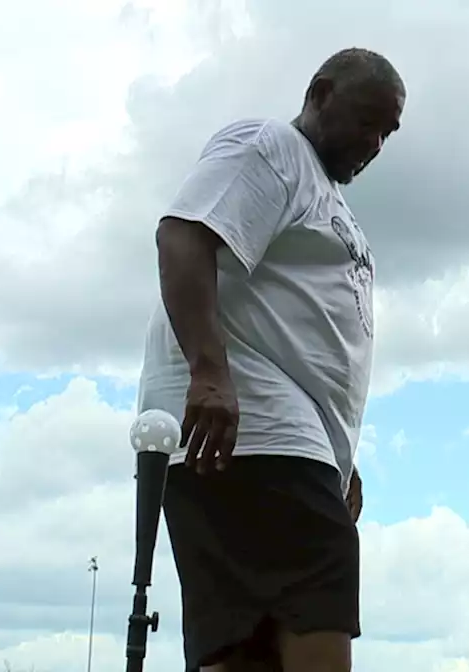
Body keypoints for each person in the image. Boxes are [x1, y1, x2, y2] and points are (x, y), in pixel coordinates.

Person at [136, 47, 406, 672]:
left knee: (245, 653)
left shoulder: (325, 193)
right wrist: (209, 371)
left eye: (387, 132)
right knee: (310, 634)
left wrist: (338, 461)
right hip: (257, 436)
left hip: (284, 449)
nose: (374, 141)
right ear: (320, 91)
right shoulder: (271, 146)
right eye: (366, 120)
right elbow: (183, 235)